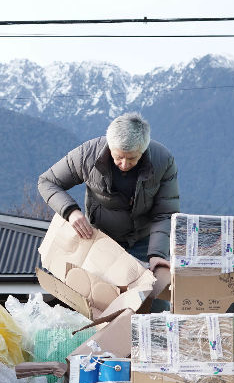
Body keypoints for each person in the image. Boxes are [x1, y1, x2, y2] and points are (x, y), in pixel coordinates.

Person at [37, 113, 179, 277]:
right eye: (118, 157)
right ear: (110, 146)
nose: (124, 164)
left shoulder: (162, 160)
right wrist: (71, 212)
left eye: (132, 158)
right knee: (99, 298)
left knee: (155, 298)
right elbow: (47, 182)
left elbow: (165, 213)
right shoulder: (88, 154)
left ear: (143, 149)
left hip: (144, 241)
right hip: (100, 241)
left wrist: (157, 254)